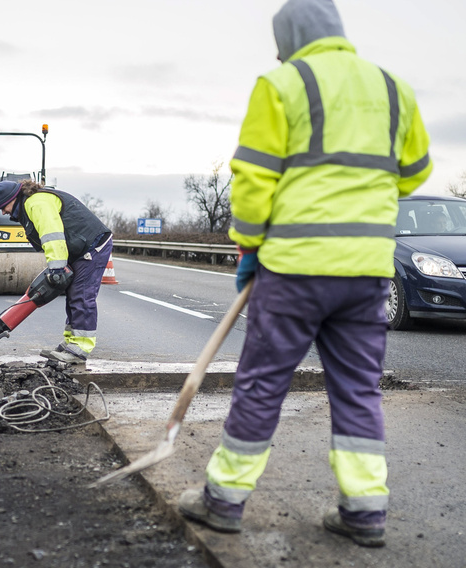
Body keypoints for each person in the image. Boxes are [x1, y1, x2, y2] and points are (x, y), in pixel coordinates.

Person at [177, 0, 431, 548]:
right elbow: (414, 173)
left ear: (291, 36)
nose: (276, 51)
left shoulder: (283, 84)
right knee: (359, 389)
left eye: (279, 40)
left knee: (263, 382)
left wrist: (249, 245)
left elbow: (252, 178)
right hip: (367, 273)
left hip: (294, 268)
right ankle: (364, 513)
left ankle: (223, 501)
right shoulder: (394, 89)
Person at [0, 179, 112, 364]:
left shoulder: (36, 203)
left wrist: (56, 268)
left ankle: (79, 350)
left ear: (13, 198)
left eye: (3, 206)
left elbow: (52, 236)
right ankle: (70, 343)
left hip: (92, 246)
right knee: (73, 295)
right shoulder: (28, 206)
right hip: (79, 248)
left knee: (82, 295)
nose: (3, 212)